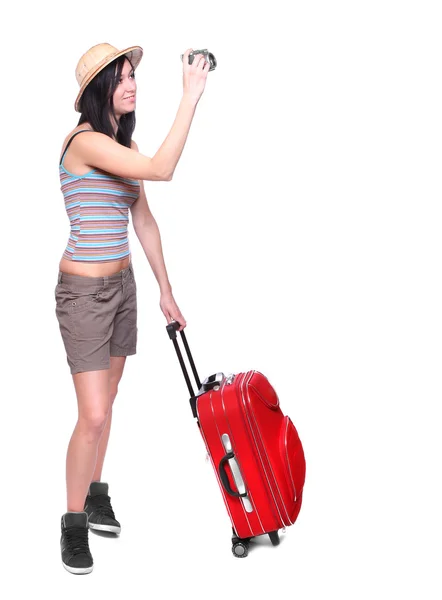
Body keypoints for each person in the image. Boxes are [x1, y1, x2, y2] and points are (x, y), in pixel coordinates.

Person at [55, 42, 209, 575]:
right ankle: (73, 522)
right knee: (92, 414)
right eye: (120, 79)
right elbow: (162, 169)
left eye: (132, 77)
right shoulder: (85, 143)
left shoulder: (124, 144)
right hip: (83, 296)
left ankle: (96, 494)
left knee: (110, 400)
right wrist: (190, 96)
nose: (132, 85)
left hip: (122, 288)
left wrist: (166, 289)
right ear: (98, 91)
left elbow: (143, 221)